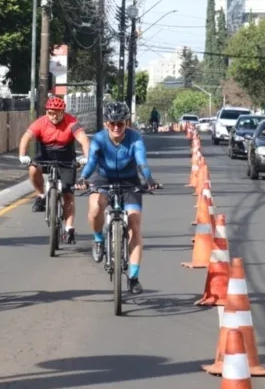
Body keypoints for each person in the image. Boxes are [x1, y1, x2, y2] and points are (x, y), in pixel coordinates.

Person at [75, 101, 159, 295]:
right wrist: (82, 178)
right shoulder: (98, 139)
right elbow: (92, 162)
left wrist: (148, 179)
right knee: (96, 206)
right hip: (102, 177)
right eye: (112, 123)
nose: (116, 127)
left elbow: (141, 161)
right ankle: (98, 239)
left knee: (135, 223)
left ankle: (134, 278)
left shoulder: (135, 138)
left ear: (126, 123)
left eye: (120, 123)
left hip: (130, 180)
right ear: (106, 123)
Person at [18, 96, 90, 243]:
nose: (54, 116)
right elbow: (26, 137)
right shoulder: (40, 122)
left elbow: (83, 139)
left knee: (68, 193)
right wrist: (22, 155)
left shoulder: (71, 122)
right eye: (51, 112)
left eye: (57, 112)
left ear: (63, 111)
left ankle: (69, 228)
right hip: (45, 156)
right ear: (47, 112)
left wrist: (87, 157)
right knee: (32, 169)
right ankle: (41, 196)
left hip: (66, 159)